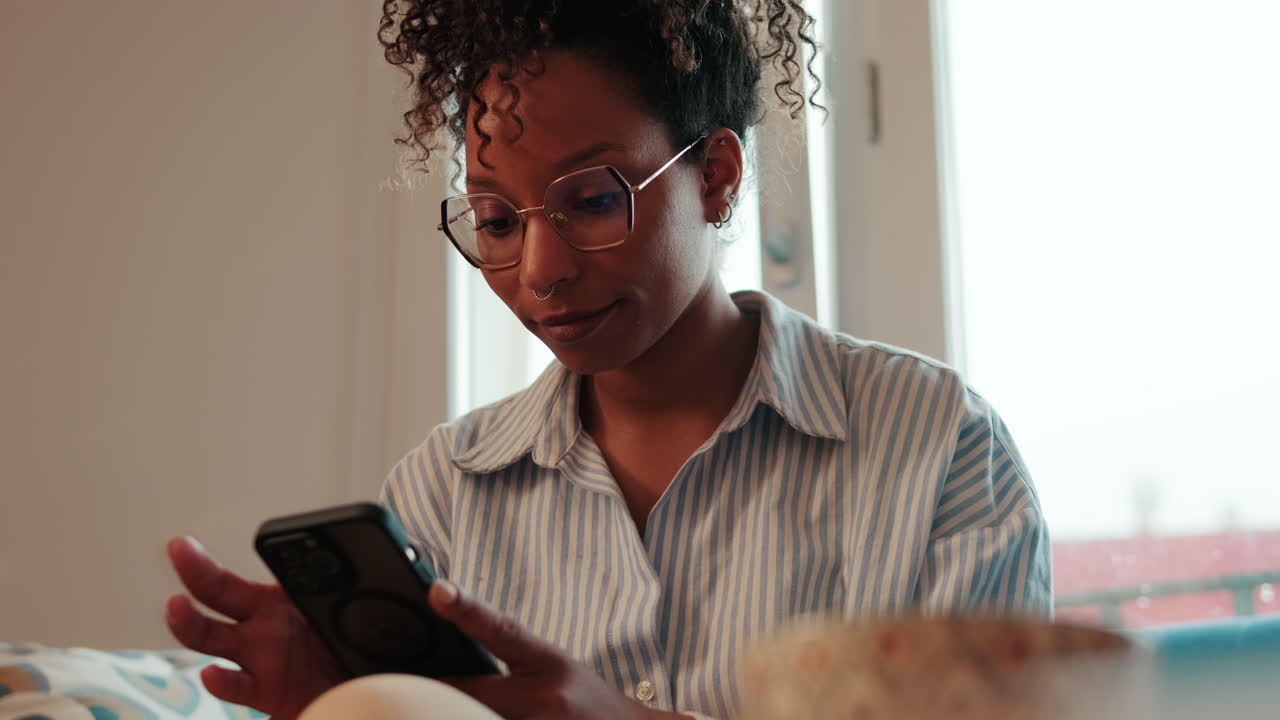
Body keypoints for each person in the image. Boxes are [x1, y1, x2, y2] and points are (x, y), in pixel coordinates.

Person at [164, 2, 1051, 719]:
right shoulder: (442, 499)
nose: (539, 271)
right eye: (496, 222)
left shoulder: (938, 450)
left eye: (591, 200)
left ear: (715, 176)